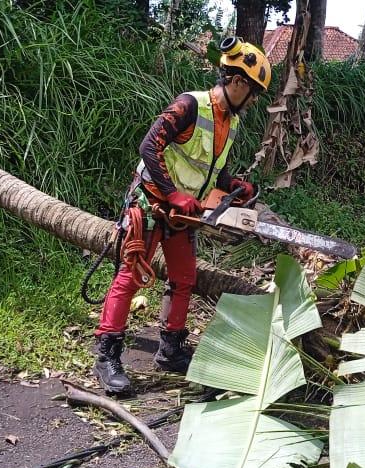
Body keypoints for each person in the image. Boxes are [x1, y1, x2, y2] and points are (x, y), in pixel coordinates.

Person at [92, 37, 272, 394]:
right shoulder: (191, 105)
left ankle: (171, 349)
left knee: (184, 277)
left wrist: (234, 185)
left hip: (181, 212)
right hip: (152, 201)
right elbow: (149, 145)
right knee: (131, 276)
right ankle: (106, 353)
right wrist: (172, 193)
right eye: (253, 93)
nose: (253, 102)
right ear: (238, 83)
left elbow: (212, 169)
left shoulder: (231, 123)